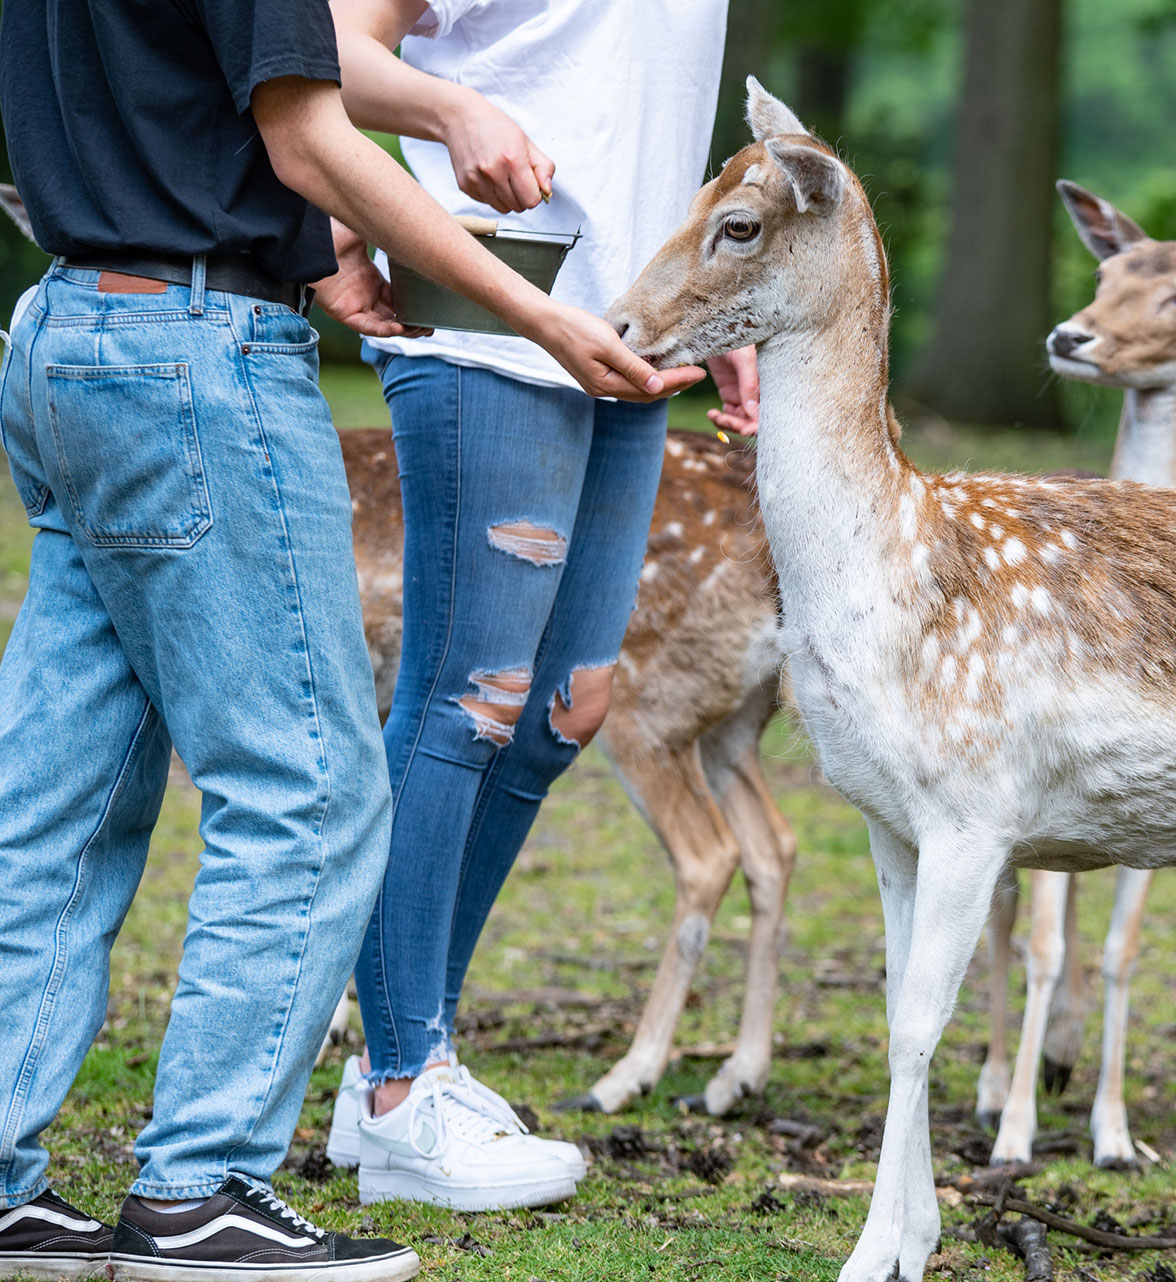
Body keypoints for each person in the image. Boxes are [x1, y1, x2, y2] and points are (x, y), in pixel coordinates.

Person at [0, 0, 702, 1277]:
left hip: (67, 329)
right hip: (196, 354)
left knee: (55, 805)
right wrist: (535, 306)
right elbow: (306, 139)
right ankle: (203, 1188)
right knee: (309, 788)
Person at [316, 0, 753, 1213]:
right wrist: (421, 142)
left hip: (629, 326)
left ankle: (397, 1062)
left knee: (566, 707)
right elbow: (326, 48)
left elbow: (643, 100)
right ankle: (406, 1082)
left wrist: (707, 292)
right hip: (493, 312)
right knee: (469, 701)